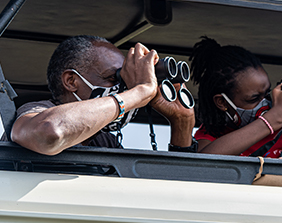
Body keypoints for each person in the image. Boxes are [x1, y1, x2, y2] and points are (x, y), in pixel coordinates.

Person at [6, 35, 195, 155]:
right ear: (72, 81)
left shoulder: (104, 142)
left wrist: (182, 123)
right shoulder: (37, 111)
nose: (122, 87)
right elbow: (49, 133)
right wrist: (139, 91)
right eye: (114, 78)